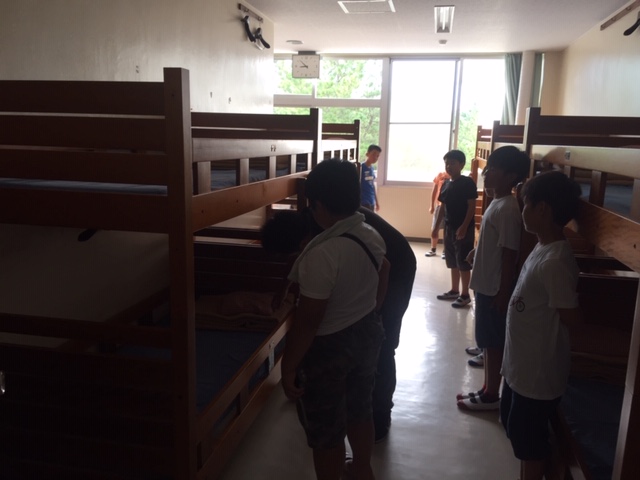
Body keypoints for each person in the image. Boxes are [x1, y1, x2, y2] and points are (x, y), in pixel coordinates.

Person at [262, 205, 416, 443]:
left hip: (398, 265)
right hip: (379, 263)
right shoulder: (307, 223)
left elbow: (384, 268)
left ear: (303, 241)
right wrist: (283, 288)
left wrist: (374, 311)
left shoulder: (330, 228)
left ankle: (380, 416)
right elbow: (297, 257)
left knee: (384, 346)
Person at [278, 159, 389, 480]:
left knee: (327, 431)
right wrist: (371, 310)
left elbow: (309, 321)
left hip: (329, 348)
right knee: (360, 410)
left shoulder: (322, 254)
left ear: (321, 206)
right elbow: (385, 269)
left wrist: (288, 367)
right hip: (367, 334)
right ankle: (362, 469)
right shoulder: (369, 233)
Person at [500, 170, 582, 480]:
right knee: (516, 430)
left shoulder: (555, 261)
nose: (522, 210)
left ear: (542, 209)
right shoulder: (542, 246)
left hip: (537, 374)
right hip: (520, 367)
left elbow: (571, 317)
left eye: (525, 204)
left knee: (529, 442)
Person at [456, 146, 530, 411]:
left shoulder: (508, 208)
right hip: (485, 284)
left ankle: (491, 396)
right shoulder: (496, 203)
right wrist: (477, 251)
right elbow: (495, 241)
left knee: (493, 342)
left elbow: (510, 252)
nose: (486, 174)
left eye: (493, 170)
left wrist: (503, 291)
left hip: (494, 287)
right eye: (487, 169)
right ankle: (487, 387)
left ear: (511, 177)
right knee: (486, 341)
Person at [433, 150, 477, 308]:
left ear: (461, 165)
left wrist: (464, 226)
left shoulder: (467, 183)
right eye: (447, 163)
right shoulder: (446, 183)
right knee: (452, 260)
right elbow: (442, 207)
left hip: (463, 229)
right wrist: (436, 227)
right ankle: (454, 290)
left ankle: (465, 295)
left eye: (452, 163)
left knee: (463, 261)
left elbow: (471, 206)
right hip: (449, 228)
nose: (448, 166)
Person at [425, 170, 450, 258]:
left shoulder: (455, 177)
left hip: (450, 207)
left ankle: (445, 251)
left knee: (447, 229)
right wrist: (432, 205)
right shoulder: (440, 175)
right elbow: (434, 190)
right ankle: (433, 249)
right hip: (439, 205)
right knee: (435, 227)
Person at [360, 144, 382, 211]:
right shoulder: (361, 167)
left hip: (371, 201)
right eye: (373, 154)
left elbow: (372, 185)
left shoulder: (372, 168)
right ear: (367, 154)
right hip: (363, 201)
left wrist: (377, 202)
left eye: (377, 156)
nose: (375, 157)